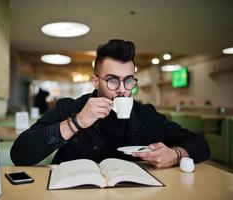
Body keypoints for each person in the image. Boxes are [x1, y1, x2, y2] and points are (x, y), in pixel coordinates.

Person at [11, 39, 210, 168]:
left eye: (129, 80)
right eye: (113, 80)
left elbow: (200, 144)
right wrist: (76, 122)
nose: (123, 89)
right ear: (96, 81)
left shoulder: (145, 114)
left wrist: (175, 154)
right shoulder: (69, 108)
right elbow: (20, 154)